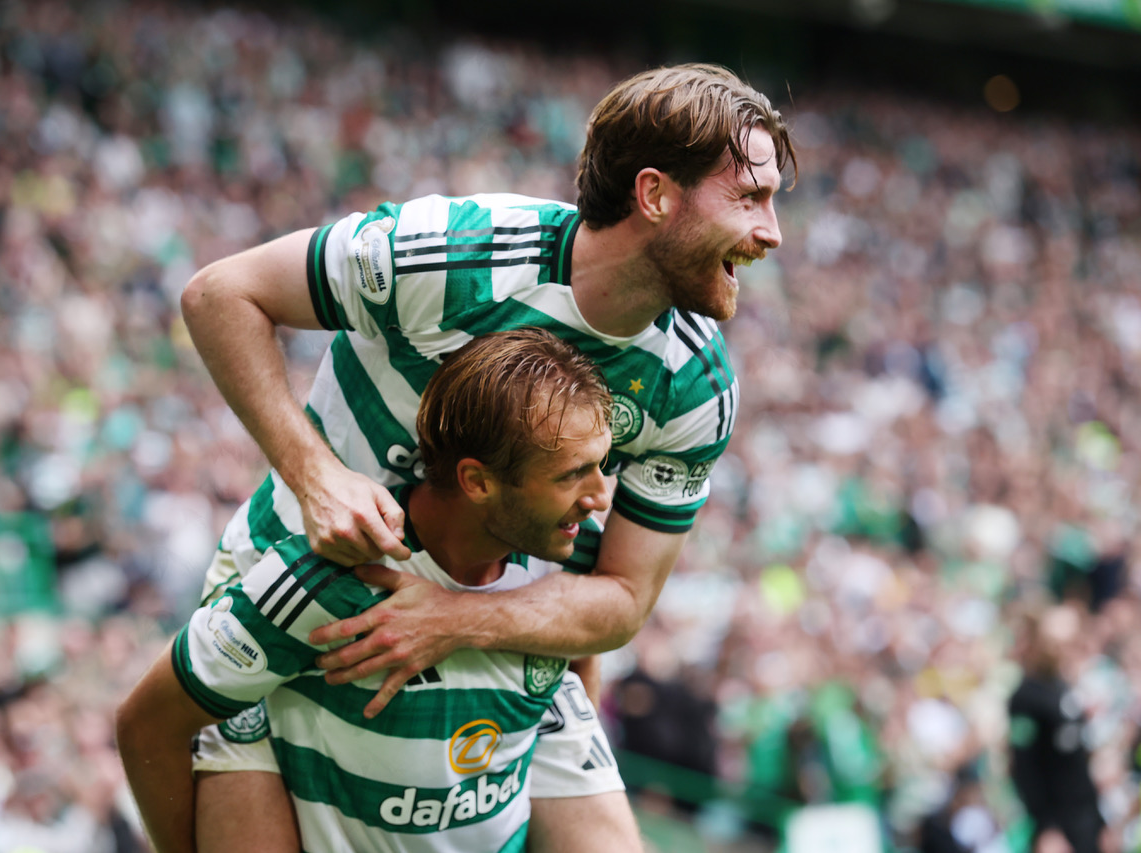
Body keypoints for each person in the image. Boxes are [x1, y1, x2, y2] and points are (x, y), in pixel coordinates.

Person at [180, 62, 794, 850]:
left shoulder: (696, 384)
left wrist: (453, 618)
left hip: (503, 643)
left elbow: (624, 598)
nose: (772, 232)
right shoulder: (455, 255)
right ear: (655, 195)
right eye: (749, 198)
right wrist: (314, 474)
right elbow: (220, 294)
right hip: (298, 603)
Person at [116, 328, 639, 852]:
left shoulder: (574, 554)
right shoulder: (332, 576)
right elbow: (147, 725)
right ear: (478, 482)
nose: (599, 497)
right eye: (574, 474)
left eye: (600, 466)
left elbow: (577, 662)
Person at [1008, 605, 1104, 853]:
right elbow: (1024, 767)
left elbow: (1076, 757)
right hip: (1057, 824)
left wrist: (1101, 822)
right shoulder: (1025, 697)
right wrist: (1046, 828)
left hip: (1085, 816)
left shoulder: (1063, 688)